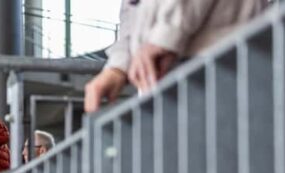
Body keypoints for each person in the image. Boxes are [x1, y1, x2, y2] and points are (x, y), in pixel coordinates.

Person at [84, 0, 268, 112]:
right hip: (166, 67)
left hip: (220, 55)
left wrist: (165, 33)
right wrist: (118, 65)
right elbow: (133, 9)